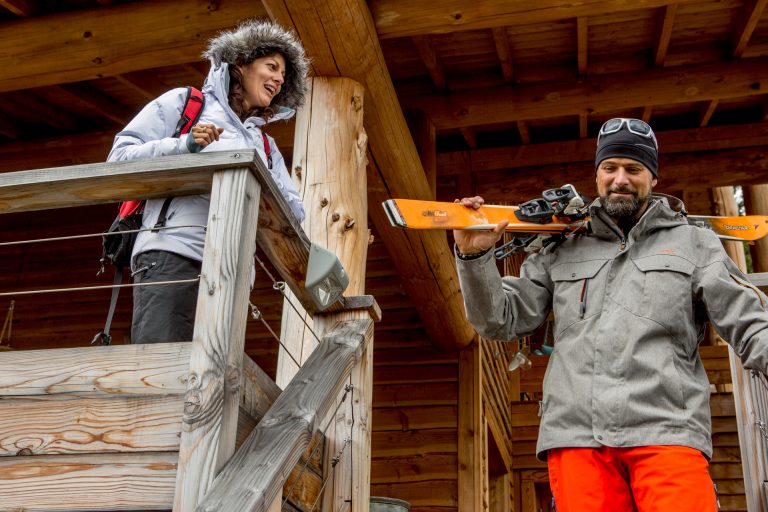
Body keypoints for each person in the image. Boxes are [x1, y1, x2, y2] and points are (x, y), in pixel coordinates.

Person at [453, 118, 768, 511]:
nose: (621, 178)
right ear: (597, 175)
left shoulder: (694, 243)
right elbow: (500, 319)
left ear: (652, 176)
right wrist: (473, 256)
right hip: (577, 436)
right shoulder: (559, 246)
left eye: (633, 169)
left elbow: (750, 322)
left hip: (667, 429)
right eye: (611, 167)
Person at [107, 19, 308, 344]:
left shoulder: (267, 147)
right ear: (241, 63)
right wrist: (185, 146)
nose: (278, 78)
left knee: (215, 388)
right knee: (162, 380)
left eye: (283, 75)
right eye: (271, 66)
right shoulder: (186, 104)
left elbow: (295, 215)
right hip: (172, 256)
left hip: (234, 274)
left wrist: (261, 181)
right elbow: (119, 158)